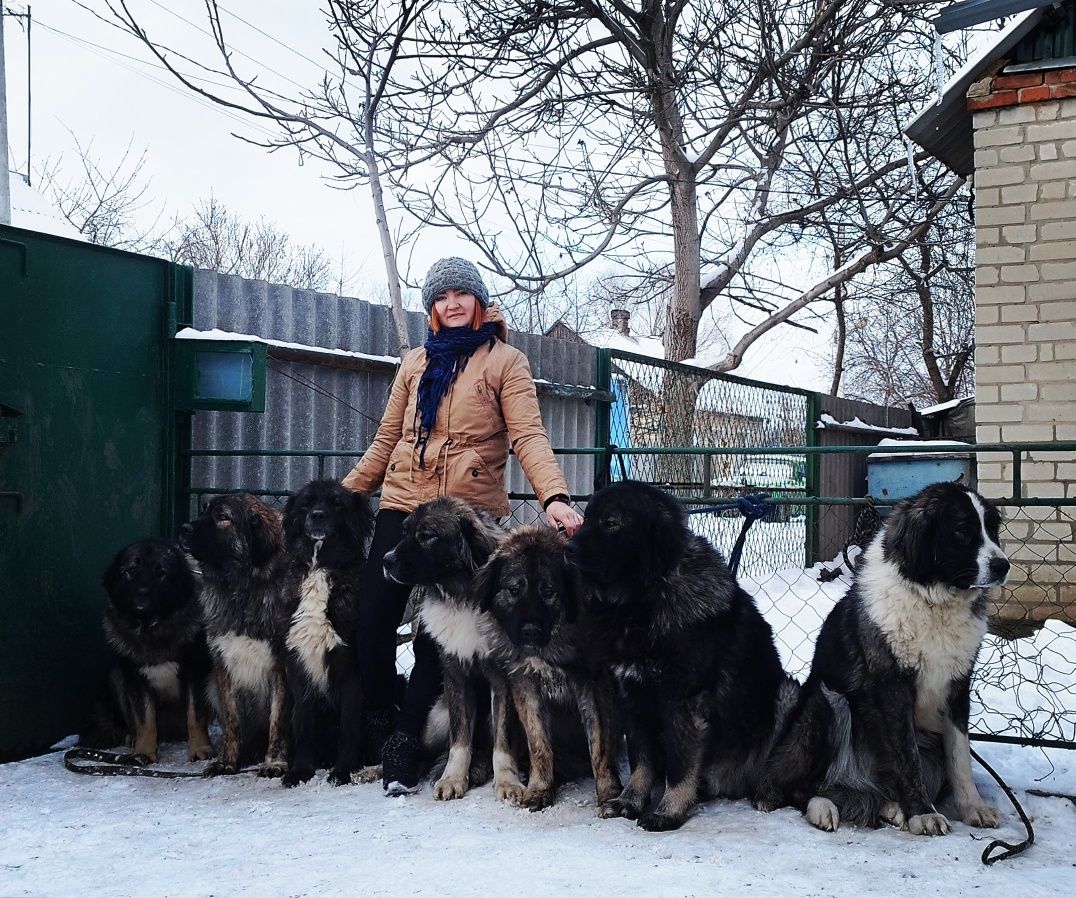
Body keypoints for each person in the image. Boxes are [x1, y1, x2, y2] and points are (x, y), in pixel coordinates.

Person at [341, 256, 582, 792]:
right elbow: (386, 441)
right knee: (372, 621)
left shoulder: (506, 361)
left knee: (441, 639)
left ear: (478, 301)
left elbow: (528, 436)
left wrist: (555, 497)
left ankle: (408, 740)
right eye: (441, 296)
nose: (451, 304)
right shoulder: (414, 363)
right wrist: (347, 493)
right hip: (405, 506)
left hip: (464, 518)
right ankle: (383, 722)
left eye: (461, 294)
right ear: (431, 307)